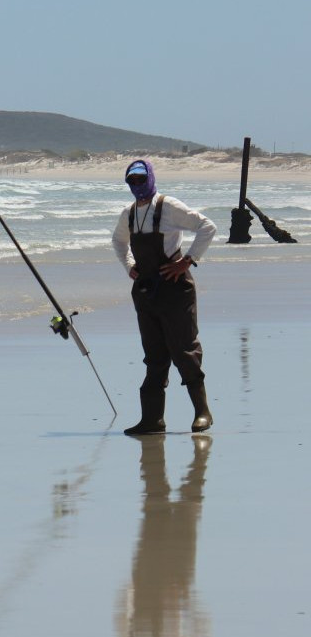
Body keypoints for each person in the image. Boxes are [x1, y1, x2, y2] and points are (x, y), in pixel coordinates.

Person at [111, 159, 217, 435]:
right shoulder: (129, 214)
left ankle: (202, 413)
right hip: (146, 292)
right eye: (131, 181)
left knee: (184, 349)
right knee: (154, 355)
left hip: (175, 289)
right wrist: (129, 266)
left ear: (150, 178)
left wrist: (188, 260)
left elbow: (207, 226)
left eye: (140, 179)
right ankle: (152, 420)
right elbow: (118, 241)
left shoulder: (168, 206)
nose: (137, 185)